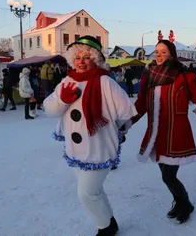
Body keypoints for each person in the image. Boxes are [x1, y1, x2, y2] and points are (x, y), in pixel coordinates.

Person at [125, 37, 196, 224]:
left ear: (172, 54)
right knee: (166, 176)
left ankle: (185, 203)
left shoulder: (184, 76)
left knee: (168, 176)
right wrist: (125, 124)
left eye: (164, 52)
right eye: (157, 52)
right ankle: (181, 202)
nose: (159, 56)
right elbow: (140, 105)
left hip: (176, 133)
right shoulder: (148, 76)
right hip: (157, 135)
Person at [44, 35, 137, 235]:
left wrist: (120, 129)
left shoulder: (105, 82)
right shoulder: (67, 80)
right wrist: (62, 100)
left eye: (87, 57)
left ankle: (104, 228)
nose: (81, 61)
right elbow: (49, 109)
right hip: (75, 149)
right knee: (94, 191)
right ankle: (109, 221)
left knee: (86, 193)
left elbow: (126, 112)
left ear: (95, 59)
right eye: (77, 57)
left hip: (99, 147)